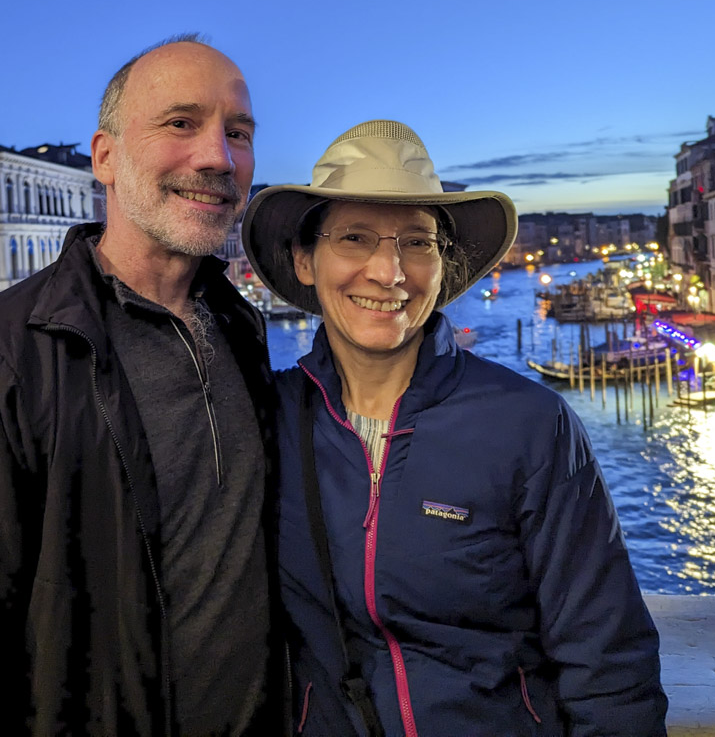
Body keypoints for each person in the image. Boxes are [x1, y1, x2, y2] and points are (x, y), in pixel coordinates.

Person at [242, 119, 668, 737]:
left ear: (443, 268)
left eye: (416, 243)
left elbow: (606, 656)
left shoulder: (527, 423)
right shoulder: (267, 420)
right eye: (356, 238)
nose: (389, 272)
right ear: (305, 261)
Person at [0, 35, 276, 736]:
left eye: (237, 132)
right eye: (180, 123)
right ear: (105, 159)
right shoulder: (11, 351)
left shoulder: (241, 327)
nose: (217, 157)